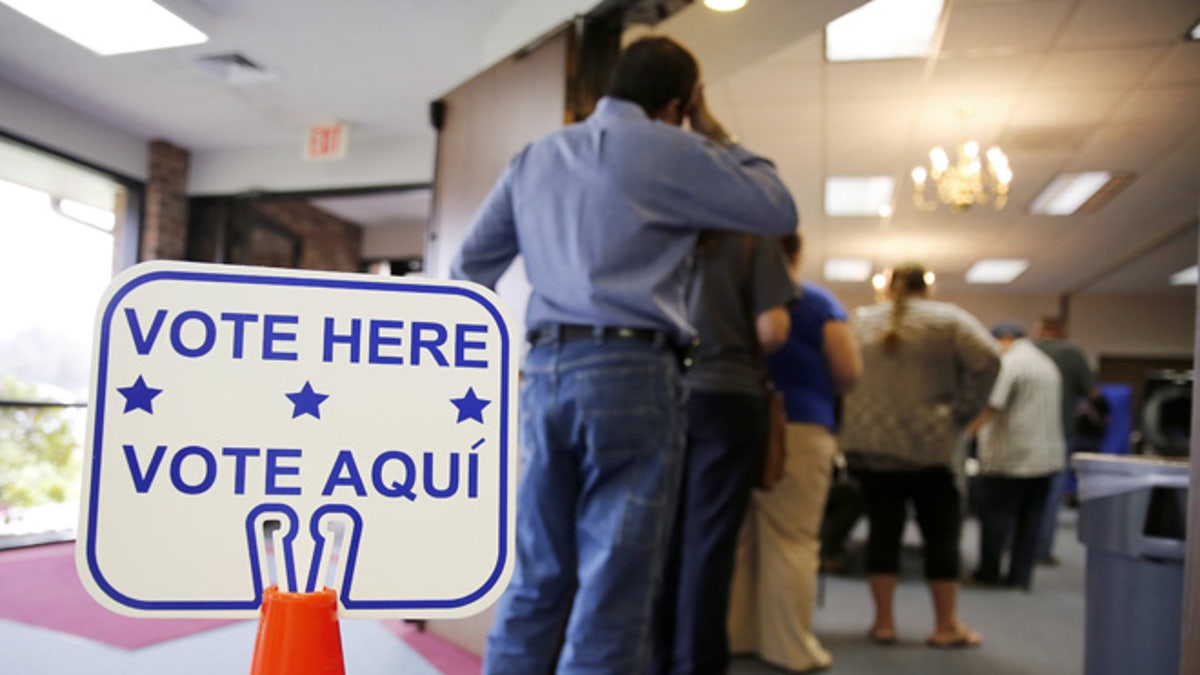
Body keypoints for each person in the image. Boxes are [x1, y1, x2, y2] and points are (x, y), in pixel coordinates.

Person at [450, 36, 798, 675]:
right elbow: (777, 207)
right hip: (633, 376)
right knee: (614, 587)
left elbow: (469, 268)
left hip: (546, 372)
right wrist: (710, 129)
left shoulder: (535, 156)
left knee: (537, 576)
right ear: (678, 103)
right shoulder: (679, 149)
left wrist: (500, 365)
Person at [838, 263, 999, 649]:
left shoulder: (860, 320)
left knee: (882, 533)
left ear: (888, 288)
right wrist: (961, 412)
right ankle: (946, 627)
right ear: (926, 287)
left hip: (872, 446)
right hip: (930, 447)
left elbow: (840, 369)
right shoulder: (949, 319)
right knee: (941, 536)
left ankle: (883, 624)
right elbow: (989, 359)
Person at [654, 231, 794, 674]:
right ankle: (695, 665)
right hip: (727, 395)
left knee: (662, 542)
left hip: (661, 393)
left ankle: (654, 662)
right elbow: (772, 328)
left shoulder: (660, 228)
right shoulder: (752, 236)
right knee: (709, 546)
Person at [726, 232, 862, 673]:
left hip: (736, 423)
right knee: (792, 537)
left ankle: (738, 634)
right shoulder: (815, 302)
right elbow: (848, 371)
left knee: (741, 536)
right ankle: (788, 645)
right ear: (797, 253)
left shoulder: (732, 299)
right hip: (799, 426)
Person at [966, 322, 1065, 591]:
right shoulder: (1045, 364)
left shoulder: (1010, 363)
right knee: (1031, 520)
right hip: (1047, 458)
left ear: (1005, 339)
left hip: (1012, 457)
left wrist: (965, 437)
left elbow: (991, 406)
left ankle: (989, 572)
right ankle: (1020, 578)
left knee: (995, 516)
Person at [1032, 316, 1103, 566]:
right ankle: (1041, 551)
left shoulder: (1027, 350)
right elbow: (1095, 394)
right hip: (1058, 433)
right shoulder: (1073, 354)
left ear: (1040, 330)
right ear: (1062, 331)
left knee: (1016, 493)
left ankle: (1014, 548)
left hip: (1023, 434)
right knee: (1051, 493)